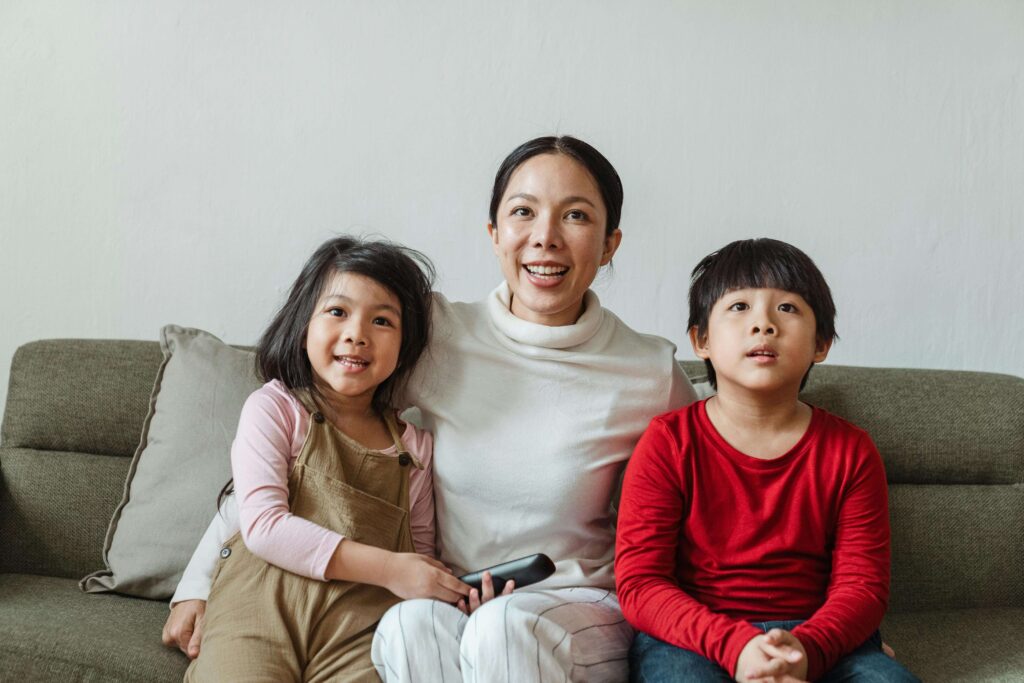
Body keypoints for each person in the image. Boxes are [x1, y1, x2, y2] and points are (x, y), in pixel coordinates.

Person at [163, 136, 698, 682]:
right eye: (523, 212)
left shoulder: (648, 372)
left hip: (579, 608)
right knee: (405, 625)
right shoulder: (436, 336)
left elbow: (714, 497)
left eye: (576, 216)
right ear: (494, 234)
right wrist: (199, 584)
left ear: (610, 243)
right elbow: (303, 438)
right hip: (455, 596)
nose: (545, 238)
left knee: (505, 626)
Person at [615, 238, 919, 682]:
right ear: (701, 339)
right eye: (739, 307)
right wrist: (736, 647)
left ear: (821, 344)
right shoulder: (668, 443)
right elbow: (641, 584)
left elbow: (863, 588)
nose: (763, 324)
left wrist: (806, 649)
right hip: (694, 637)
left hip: (817, 637)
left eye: (788, 309)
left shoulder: (851, 450)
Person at [184, 237, 470, 682]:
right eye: (338, 312)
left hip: (359, 630)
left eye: (382, 320)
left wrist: (444, 588)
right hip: (258, 608)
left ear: (405, 347)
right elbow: (262, 525)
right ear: (303, 325)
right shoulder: (275, 408)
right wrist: (392, 569)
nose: (357, 334)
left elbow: (418, 551)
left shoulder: (414, 448)